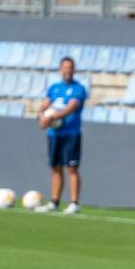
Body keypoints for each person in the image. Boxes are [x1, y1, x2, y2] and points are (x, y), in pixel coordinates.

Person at [35, 57, 87, 215]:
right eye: (65, 67)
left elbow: (70, 108)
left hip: (71, 133)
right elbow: (43, 105)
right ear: (60, 69)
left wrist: (53, 116)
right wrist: (41, 116)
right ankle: (54, 201)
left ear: (74, 70)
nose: (67, 70)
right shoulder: (54, 88)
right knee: (55, 167)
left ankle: (73, 203)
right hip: (54, 133)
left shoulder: (78, 88)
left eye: (70, 67)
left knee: (72, 167)